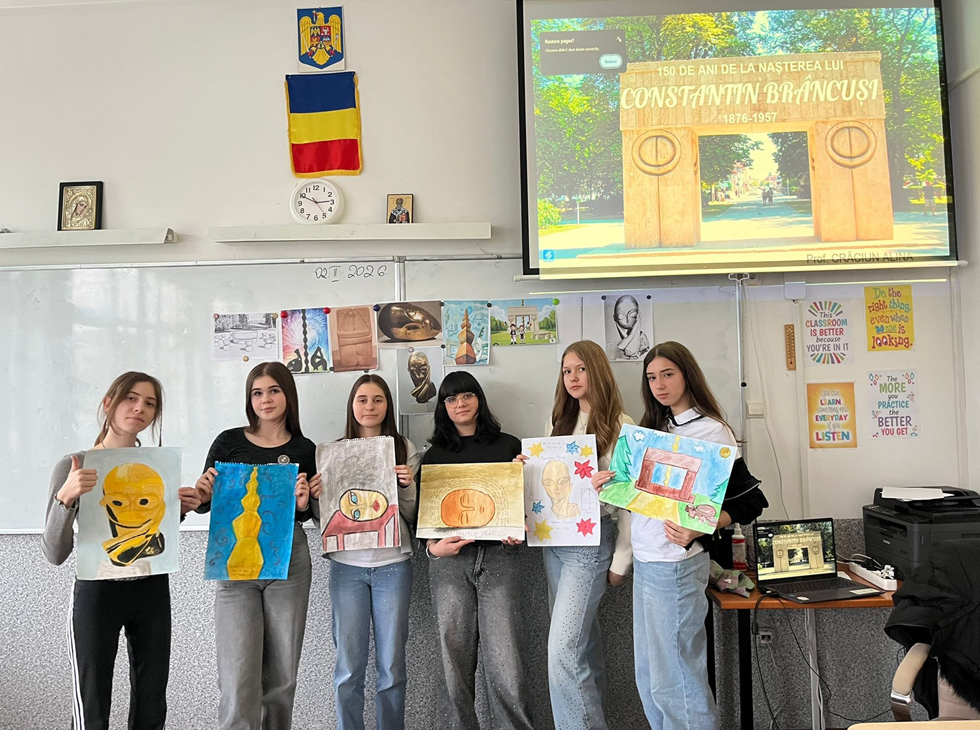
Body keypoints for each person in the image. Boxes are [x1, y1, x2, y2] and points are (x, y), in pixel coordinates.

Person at [593, 341, 766, 730]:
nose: (659, 384)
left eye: (668, 374)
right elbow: (637, 498)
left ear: (687, 375)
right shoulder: (650, 430)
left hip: (676, 564)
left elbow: (752, 501)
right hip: (647, 560)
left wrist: (702, 525)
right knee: (651, 676)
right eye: (652, 377)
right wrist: (606, 486)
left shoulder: (713, 431)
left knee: (677, 679)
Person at [41, 372, 202, 730]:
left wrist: (178, 511)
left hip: (151, 588)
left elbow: (154, 536)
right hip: (97, 591)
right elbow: (54, 553)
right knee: (91, 700)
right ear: (108, 404)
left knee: (151, 699)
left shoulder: (157, 468)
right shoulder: (75, 463)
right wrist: (65, 498)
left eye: (150, 403)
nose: (139, 408)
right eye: (131, 398)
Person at [195, 361, 320, 730]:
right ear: (249, 400)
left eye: (274, 391)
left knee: (282, 678)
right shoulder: (228, 442)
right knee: (237, 677)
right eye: (257, 393)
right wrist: (202, 492)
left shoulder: (304, 448)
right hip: (237, 567)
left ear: (288, 395)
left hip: (289, 562)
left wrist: (303, 503)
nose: (266, 399)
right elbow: (206, 502)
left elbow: (307, 513)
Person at [421, 371, 534, 730]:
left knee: (507, 662)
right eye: (451, 398)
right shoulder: (433, 456)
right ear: (443, 407)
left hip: (501, 558)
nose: (460, 404)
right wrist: (432, 549)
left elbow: (527, 506)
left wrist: (519, 524)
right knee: (452, 661)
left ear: (479, 399)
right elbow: (423, 518)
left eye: (467, 395)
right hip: (451, 563)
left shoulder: (509, 446)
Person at [538, 340, 634, 730]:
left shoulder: (622, 425)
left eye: (581, 369)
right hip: (555, 542)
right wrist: (528, 467)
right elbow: (546, 482)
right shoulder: (556, 421)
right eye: (567, 371)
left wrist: (622, 560)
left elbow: (630, 500)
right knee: (582, 647)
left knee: (563, 650)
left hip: (592, 544)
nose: (573, 377)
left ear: (597, 371)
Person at [324, 375, 419, 730]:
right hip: (347, 568)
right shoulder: (333, 452)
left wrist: (407, 487)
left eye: (378, 399)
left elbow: (412, 514)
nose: (369, 407)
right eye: (362, 399)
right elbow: (326, 519)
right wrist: (318, 496)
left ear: (388, 405)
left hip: (393, 565)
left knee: (392, 665)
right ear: (351, 405)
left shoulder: (403, 448)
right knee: (348, 666)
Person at [611, 295, 650, 361]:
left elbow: (633, 351)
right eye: (621, 316)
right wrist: (633, 333)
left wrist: (636, 328)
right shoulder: (613, 342)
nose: (627, 320)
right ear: (615, 318)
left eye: (632, 315)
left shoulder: (642, 337)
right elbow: (620, 347)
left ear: (637, 316)